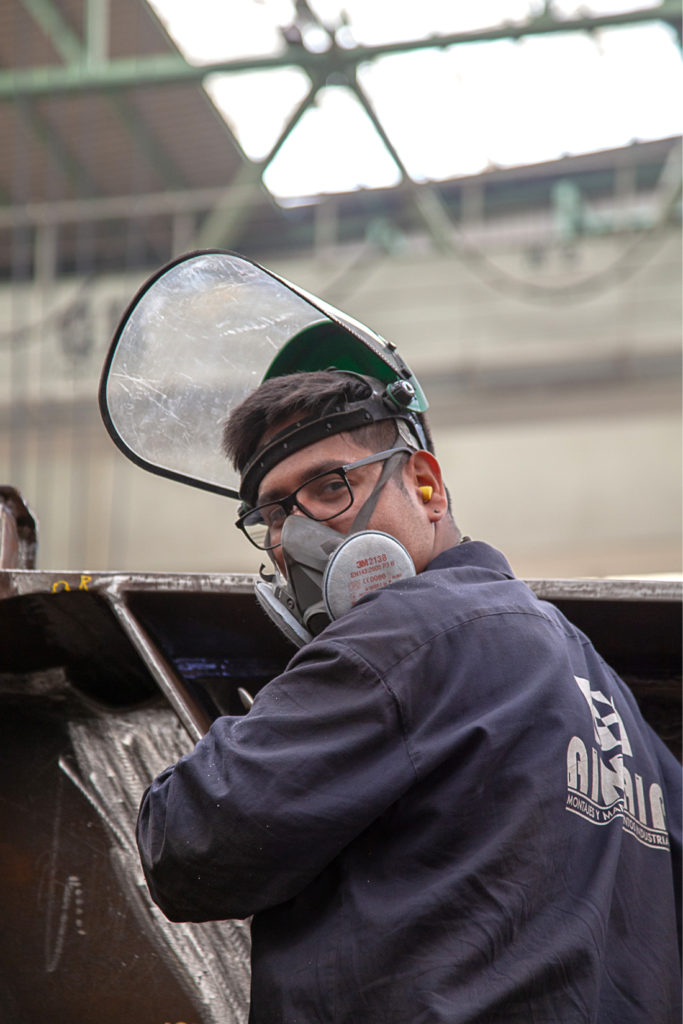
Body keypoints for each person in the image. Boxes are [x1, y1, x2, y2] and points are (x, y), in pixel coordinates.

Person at [136, 368, 682, 1023]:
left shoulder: (401, 632)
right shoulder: (614, 705)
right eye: (273, 512)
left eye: (330, 486)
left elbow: (186, 843)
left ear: (425, 485)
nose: (295, 537)